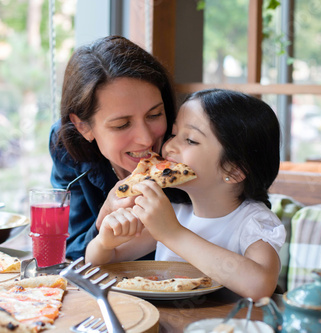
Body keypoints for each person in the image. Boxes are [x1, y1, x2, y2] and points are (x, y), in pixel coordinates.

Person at [85, 89, 286, 300]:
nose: (169, 146)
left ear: (234, 170)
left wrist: (173, 233)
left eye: (190, 140)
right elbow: (98, 265)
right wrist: (105, 243)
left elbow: (260, 286)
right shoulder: (175, 212)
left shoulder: (253, 221)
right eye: (173, 134)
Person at [49, 35, 178, 260]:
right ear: (83, 127)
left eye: (155, 114)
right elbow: (69, 247)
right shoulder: (67, 147)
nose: (146, 139)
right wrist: (103, 219)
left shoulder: (189, 147)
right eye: (122, 124)